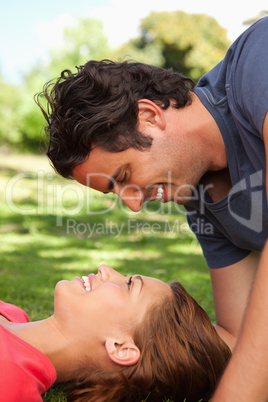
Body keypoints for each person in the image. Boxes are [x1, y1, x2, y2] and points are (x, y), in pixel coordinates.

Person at [36, 16, 268, 400]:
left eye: (124, 175)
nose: (133, 204)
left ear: (149, 116)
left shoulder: (256, 62)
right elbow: (234, 336)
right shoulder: (201, 201)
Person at [0, 264, 230, 402]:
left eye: (129, 285)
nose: (105, 269)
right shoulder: (12, 315)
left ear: (121, 348)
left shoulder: (9, 379)